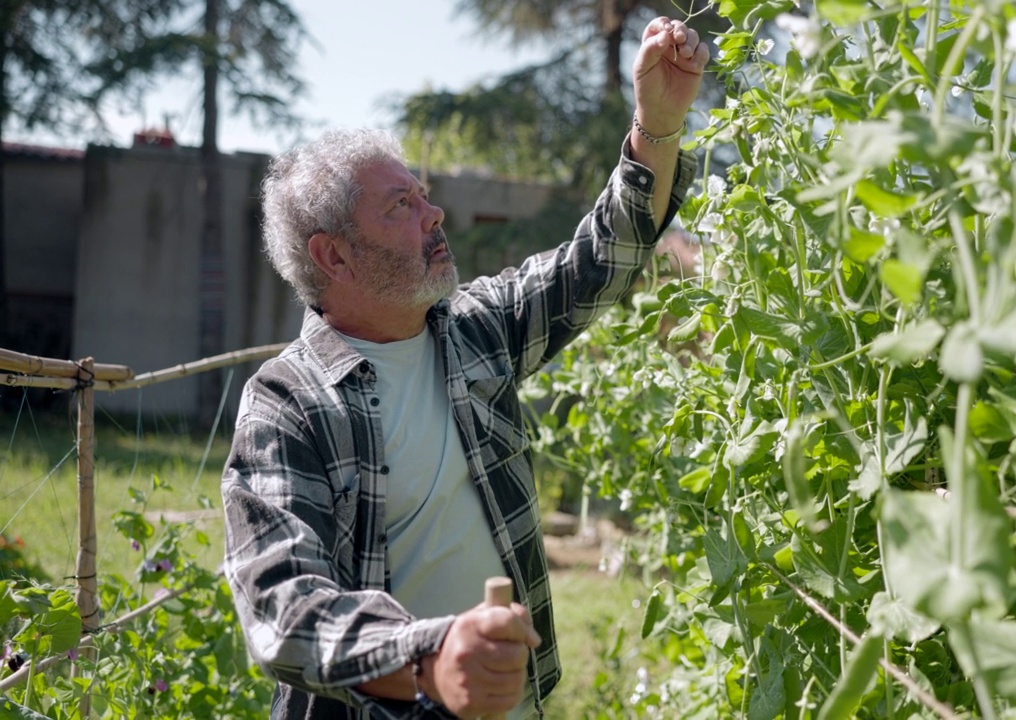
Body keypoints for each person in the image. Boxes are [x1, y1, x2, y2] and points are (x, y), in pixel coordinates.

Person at [220, 16, 709, 720]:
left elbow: (604, 258)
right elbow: (283, 610)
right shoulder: (286, 406)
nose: (435, 212)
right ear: (334, 256)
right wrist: (428, 659)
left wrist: (656, 127)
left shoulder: (474, 331)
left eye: (422, 195)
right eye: (402, 206)